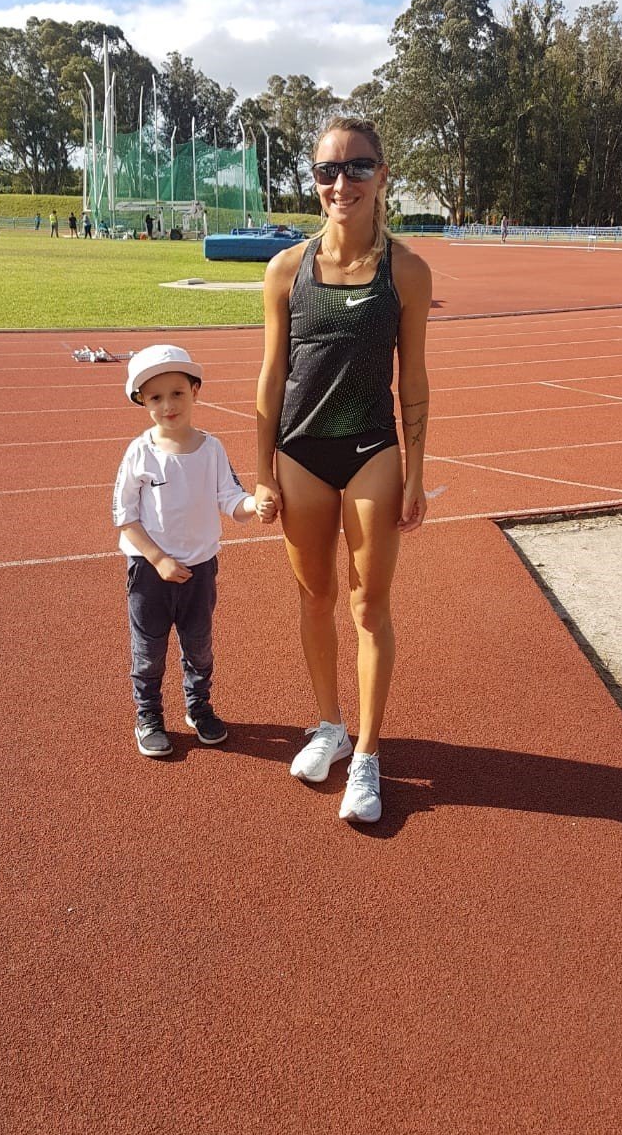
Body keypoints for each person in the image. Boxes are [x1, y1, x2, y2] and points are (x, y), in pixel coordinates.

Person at [255, 116, 432, 824]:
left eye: (357, 168)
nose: (341, 183)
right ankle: (328, 726)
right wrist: (259, 469)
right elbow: (271, 377)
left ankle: (367, 754)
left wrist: (416, 472)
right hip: (299, 452)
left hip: (370, 451)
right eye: (328, 170)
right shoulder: (286, 269)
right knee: (313, 597)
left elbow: (412, 380)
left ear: (382, 176)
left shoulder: (407, 271)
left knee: (369, 605)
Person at [113, 344, 258, 758]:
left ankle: (198, 706)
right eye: (155, 397)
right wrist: (158, 558)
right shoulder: (139, 452)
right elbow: (124, 517)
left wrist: (255, 504)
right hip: (149, 573)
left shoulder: (212, 449)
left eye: (177, 392)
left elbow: (232, 500)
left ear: (195, 390)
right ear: (142, 401)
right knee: (149, 651)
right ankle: (149, 715)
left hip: (200, 571)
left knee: (199, 646)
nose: (168, 405)